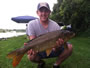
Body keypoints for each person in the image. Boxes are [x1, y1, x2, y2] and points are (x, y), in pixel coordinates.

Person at [25, 2, 73, 68]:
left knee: (70, 47)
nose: (43, 13)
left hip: (53, 49)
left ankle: (56, 64)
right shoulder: (31, 24)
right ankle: (41, 62)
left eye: (46, 11)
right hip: (40, 49)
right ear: (37, 12)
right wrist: (30, 49)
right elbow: (33, 41)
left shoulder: (55, 25)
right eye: (41, 11)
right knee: (31, 56)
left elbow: (56, 50)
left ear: (49, 12)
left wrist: (57, 47)